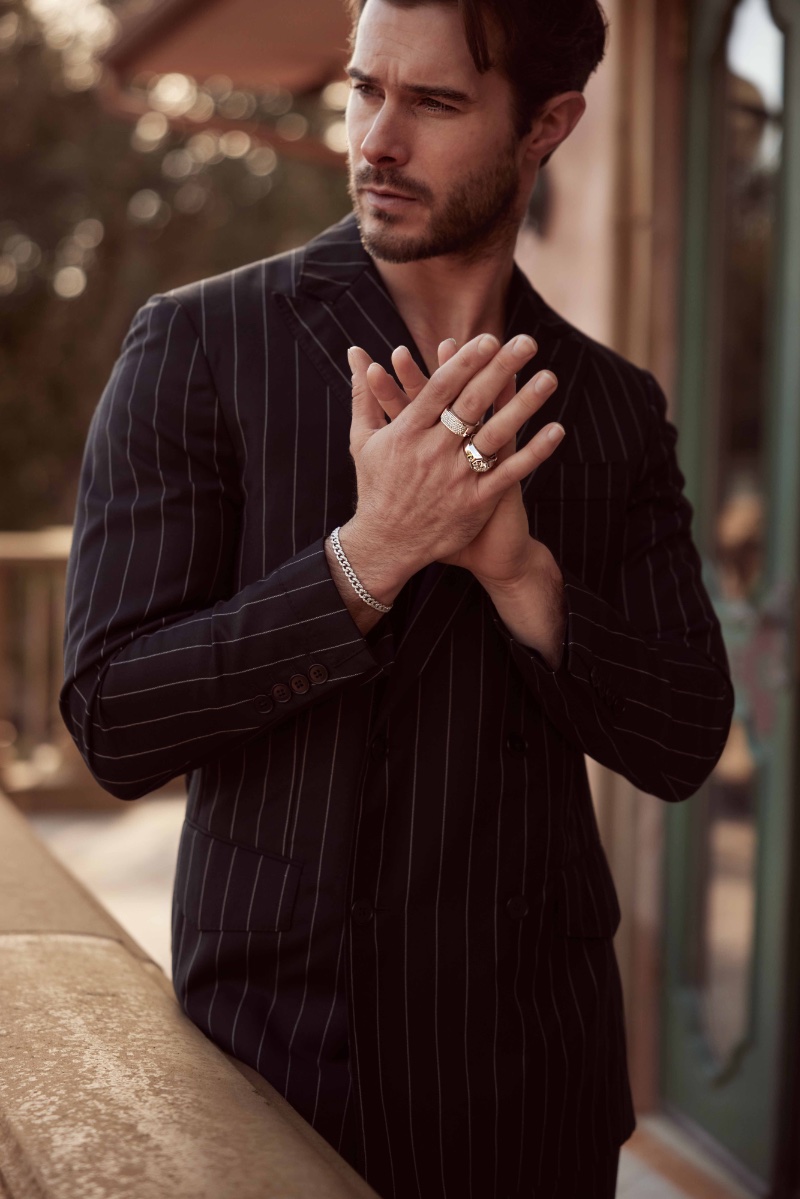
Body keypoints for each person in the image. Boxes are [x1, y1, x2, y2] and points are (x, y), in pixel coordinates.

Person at [61, 0, 734, 1195]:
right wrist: (364, 561)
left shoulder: (614, 404)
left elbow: (682, 737)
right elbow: (115, 719)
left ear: (549, 125)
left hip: (537, 1086)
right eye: (366, 89)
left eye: (432, 103)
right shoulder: (199, 345)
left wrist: (523, 579)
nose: (375, 138)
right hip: (277, 1066)